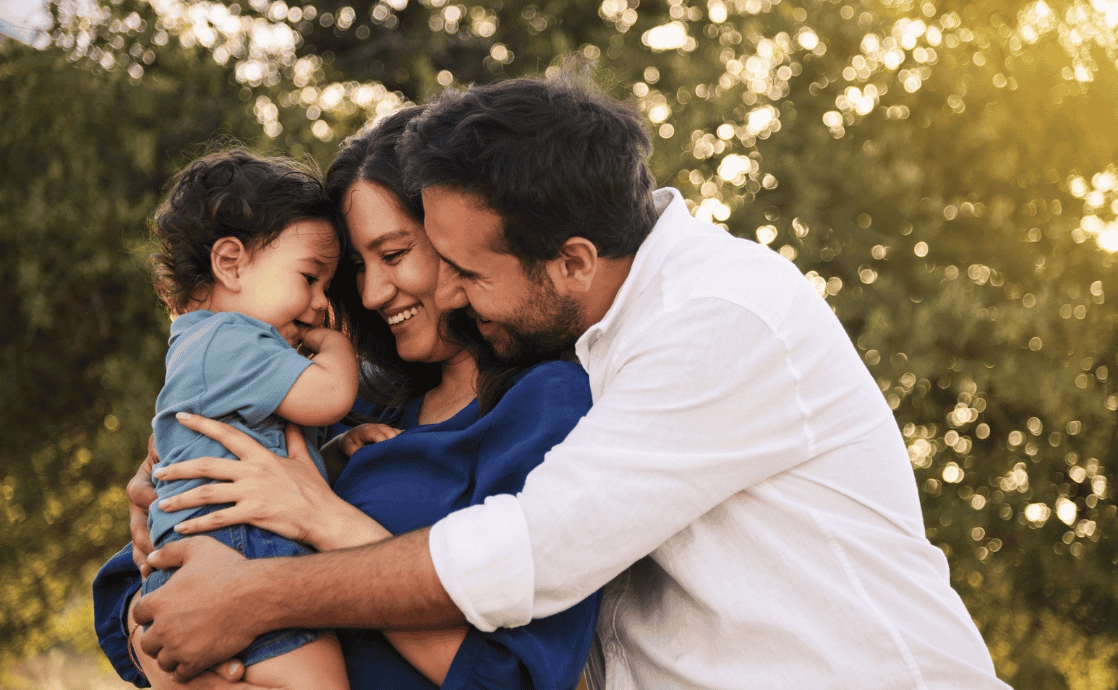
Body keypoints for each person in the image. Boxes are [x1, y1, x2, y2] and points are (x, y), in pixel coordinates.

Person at [126, 74, 1012, 689]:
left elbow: (529, 554)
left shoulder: (718, 319)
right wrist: (165, 505)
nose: (448, 295)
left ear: (573, 262)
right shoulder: (565, 343)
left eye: (462, 271)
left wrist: (260, 592)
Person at [93, 109, 600, 690]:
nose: (372, 292)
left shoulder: (547, 404)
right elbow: (125, 597)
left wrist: (317, 520)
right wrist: (168, 591)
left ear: (456, 240)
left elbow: (513, 679)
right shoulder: (360, 403)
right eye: (356, 267)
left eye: (394, 254)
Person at [137, 148, 356, 689]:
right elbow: (330, 395)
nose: (320, 303)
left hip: (205, 555)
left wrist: (339, 448)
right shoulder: (231, 339)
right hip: (237, 548)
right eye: (310, 277)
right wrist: (336, 348)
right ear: (230, 263)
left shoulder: (206, 347)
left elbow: (275, 459)